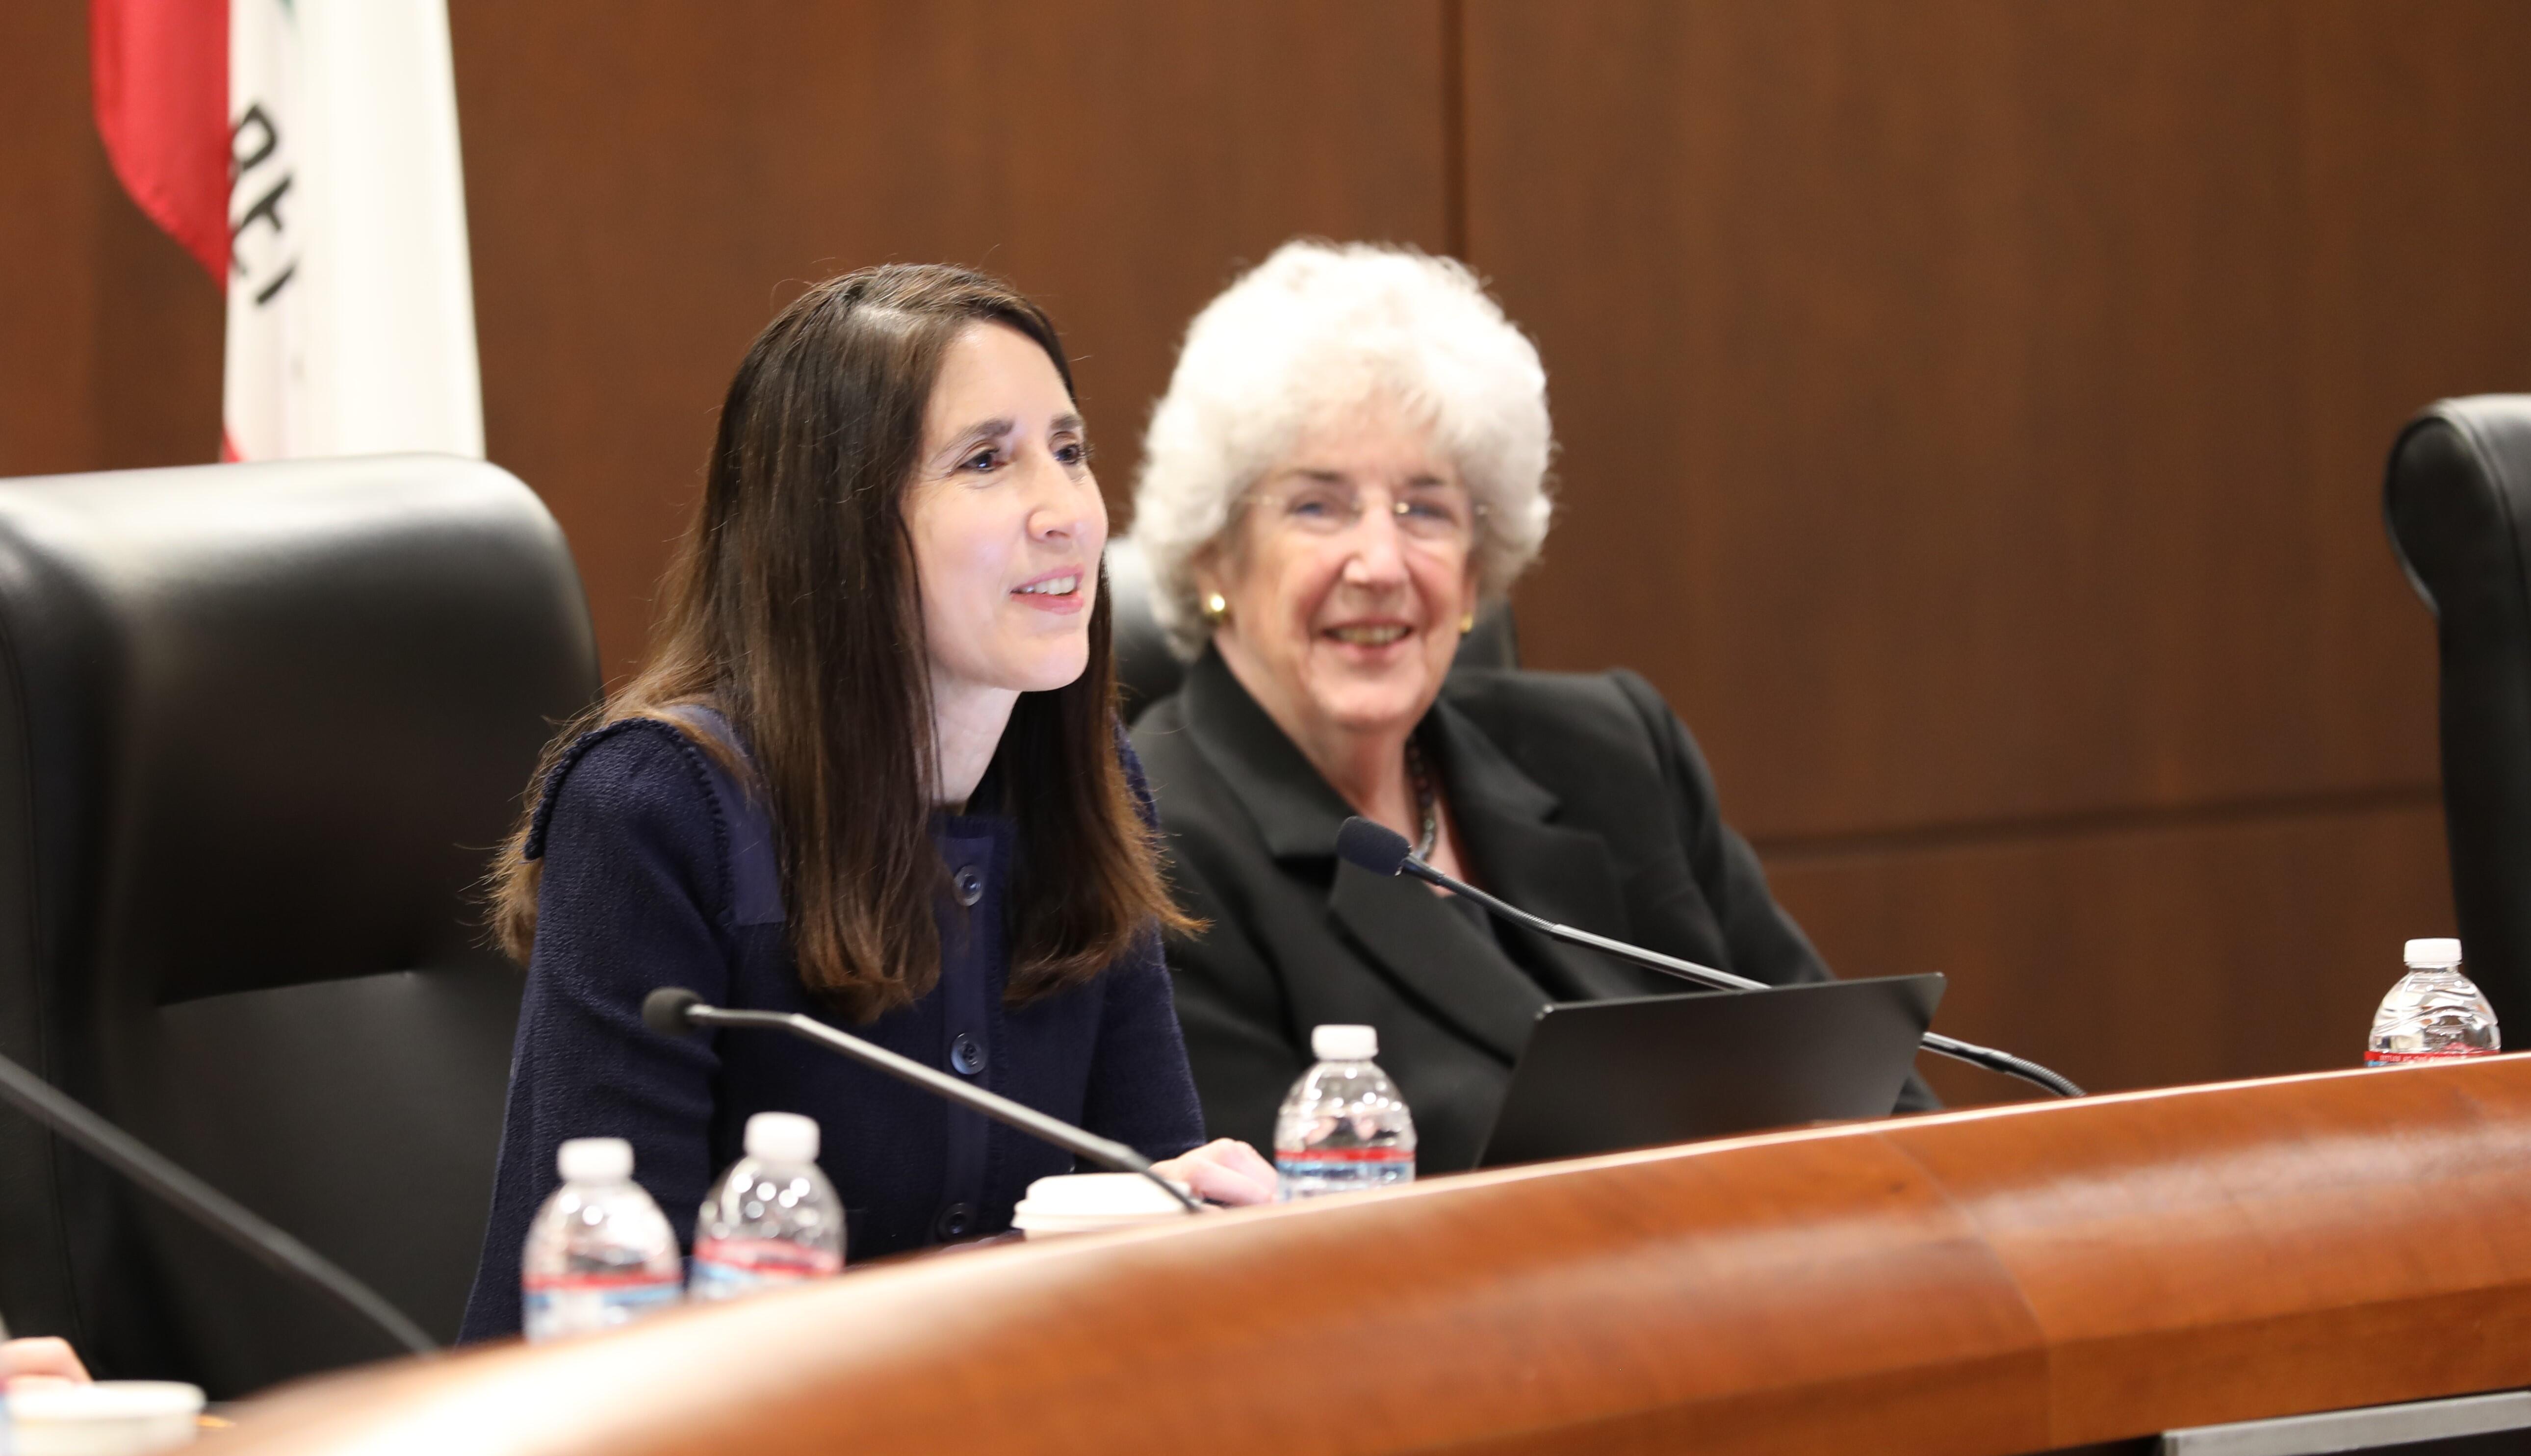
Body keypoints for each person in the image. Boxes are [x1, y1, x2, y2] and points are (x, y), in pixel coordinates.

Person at [462, 266, 1272, 1340]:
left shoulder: (1078, 778)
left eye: (1068, 452)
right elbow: (614, 1307)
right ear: (834, 531)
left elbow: (1141, 1179)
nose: (1068, 513)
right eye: (987, 460)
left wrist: (1200, 1213)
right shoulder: (656, 811)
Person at [1126, 241, 1935, 1169]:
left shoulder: (1612, 753)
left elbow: (1870, 1094)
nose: (1382, 564)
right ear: (1213, 556)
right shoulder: (1152, 849)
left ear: (1476, 570)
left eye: (1427, 510)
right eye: (1318, 507)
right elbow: (1261, 1245)